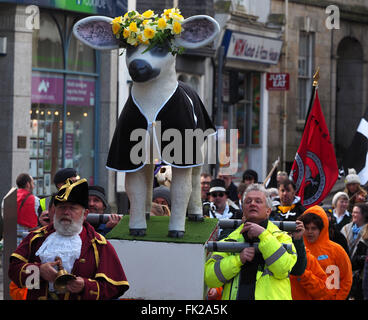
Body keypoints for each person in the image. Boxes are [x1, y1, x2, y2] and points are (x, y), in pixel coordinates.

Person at [8, 178, 129, 300]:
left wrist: (85, 287)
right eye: (61, 207)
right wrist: (38, 272)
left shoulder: (98, 244)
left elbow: (115, 288)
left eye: (72, 208)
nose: (66, 212)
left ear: (85, 214)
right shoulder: (36, 238)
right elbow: (13, 272)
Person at [204, 183, 297, 300]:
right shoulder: (230, 239)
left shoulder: (282, 238)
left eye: (258, 201)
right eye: (248, 201)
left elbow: (282, 269)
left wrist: (263, 235)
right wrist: (238, 260)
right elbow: (210, 278)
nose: (252, 203)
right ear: (243, 209)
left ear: (268, 211)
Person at [298, 205, 353, 300]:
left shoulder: (337, 250)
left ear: (321, 229)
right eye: (306, 228)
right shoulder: (296, 250)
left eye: (314, 228)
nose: (309, 232)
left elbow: (347, 278)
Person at [289, 220, 329, 300]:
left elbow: (322, 291)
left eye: (313, 228)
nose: (310, 232)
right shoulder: (268, 255)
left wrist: (301, 272)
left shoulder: (308, 258)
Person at [341, 203, 368, 299]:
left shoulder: (366, 231)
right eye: (352, 212)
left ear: (363, 215)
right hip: (345, 269)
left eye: (356, 212)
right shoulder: (345, 229)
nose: (353, 214)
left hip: (360, 273)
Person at [16, 173, 40, 244]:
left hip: (10, 241)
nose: (34, 186)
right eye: (33, 183)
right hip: (27, 241)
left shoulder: (7, 199)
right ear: (28, 184)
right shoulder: (36, 201)